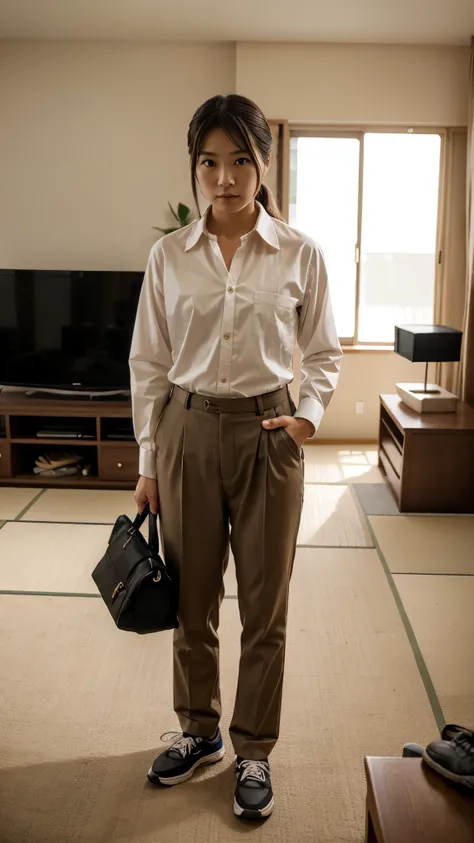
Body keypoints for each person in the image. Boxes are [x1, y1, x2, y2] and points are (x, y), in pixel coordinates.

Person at [129, 94, 342, 820]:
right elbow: (148, 364)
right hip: (187, 431)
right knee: (191, 601)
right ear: (195, 169)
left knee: (264, 605)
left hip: (268, 435)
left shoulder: (299, 252)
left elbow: (322, 353)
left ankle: (254, 746)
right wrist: (150, 461)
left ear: (264, 163)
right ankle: (199, 731)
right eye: (209, 162)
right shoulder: (168, 257)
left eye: (240, 160)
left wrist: (306, 420)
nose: (224, 176)